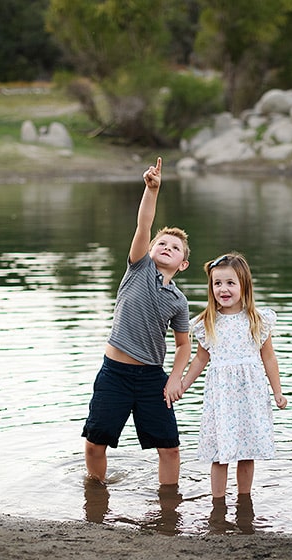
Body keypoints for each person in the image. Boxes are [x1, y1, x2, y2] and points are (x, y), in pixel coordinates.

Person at [82, 157, 191, 490]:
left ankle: (168, 505)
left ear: (183, 263)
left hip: (150, 379)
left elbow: (184, 345)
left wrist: (175, 380)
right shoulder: (138, 268)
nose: (167, 247)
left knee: (170, 448)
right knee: (95, 442)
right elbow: (144, 224)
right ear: (149, 250)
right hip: (114, 372)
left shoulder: (179, 301)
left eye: (175, 247)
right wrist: (151, 189)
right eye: (162, 243)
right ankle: (95, 489)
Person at [180, 252, 287, 511]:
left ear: (244, 285)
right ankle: (218, 503)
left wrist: (278, 392)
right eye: (217, 283)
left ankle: (244, 500)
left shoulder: (257, 320)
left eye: (230, 283)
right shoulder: (208, 322)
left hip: (250, 393)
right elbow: (199, 360)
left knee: (247, 450)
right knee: (220, 452)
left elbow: (269, 358)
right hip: (221, 396)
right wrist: (182, 385)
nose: (223, 289)